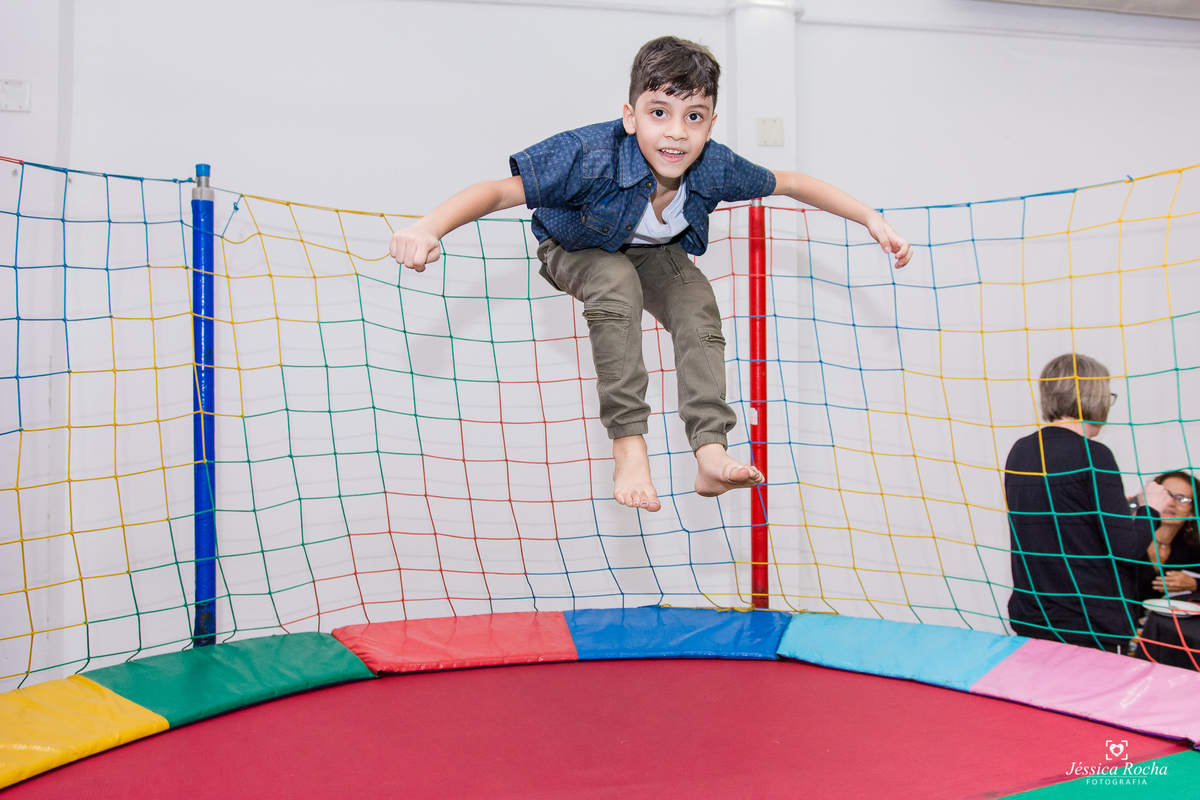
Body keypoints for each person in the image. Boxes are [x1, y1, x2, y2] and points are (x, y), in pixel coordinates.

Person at [389, 36, 911, 513]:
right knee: (615, 281)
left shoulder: (714, 165)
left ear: (710, 124)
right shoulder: (589, 153)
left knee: (696, 304)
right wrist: (428, 227)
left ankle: (710, 451)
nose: (676, 133)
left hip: (652, 252)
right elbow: (500, 191)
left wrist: (871, 217)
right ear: (631, 115)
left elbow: (792, 182)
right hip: (573, 246)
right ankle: (629, 446)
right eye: (659, 112)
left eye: (695, 117)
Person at [1005, 353, 1170, 653]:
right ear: (1096, 398)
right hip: (1085, 624)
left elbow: (1066, 522)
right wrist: (1152, 509)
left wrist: (1124, 507)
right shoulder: (1094, 455)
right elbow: (1128, 550)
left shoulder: (1022, 450)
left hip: (1034, 616)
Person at [1135, 471, 1200, 600]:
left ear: (1192, 512)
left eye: (1182, 499)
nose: (1171, 502)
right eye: (1165, 495)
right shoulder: (1128, 537)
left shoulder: (1189, 546)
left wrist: (1195, 584)